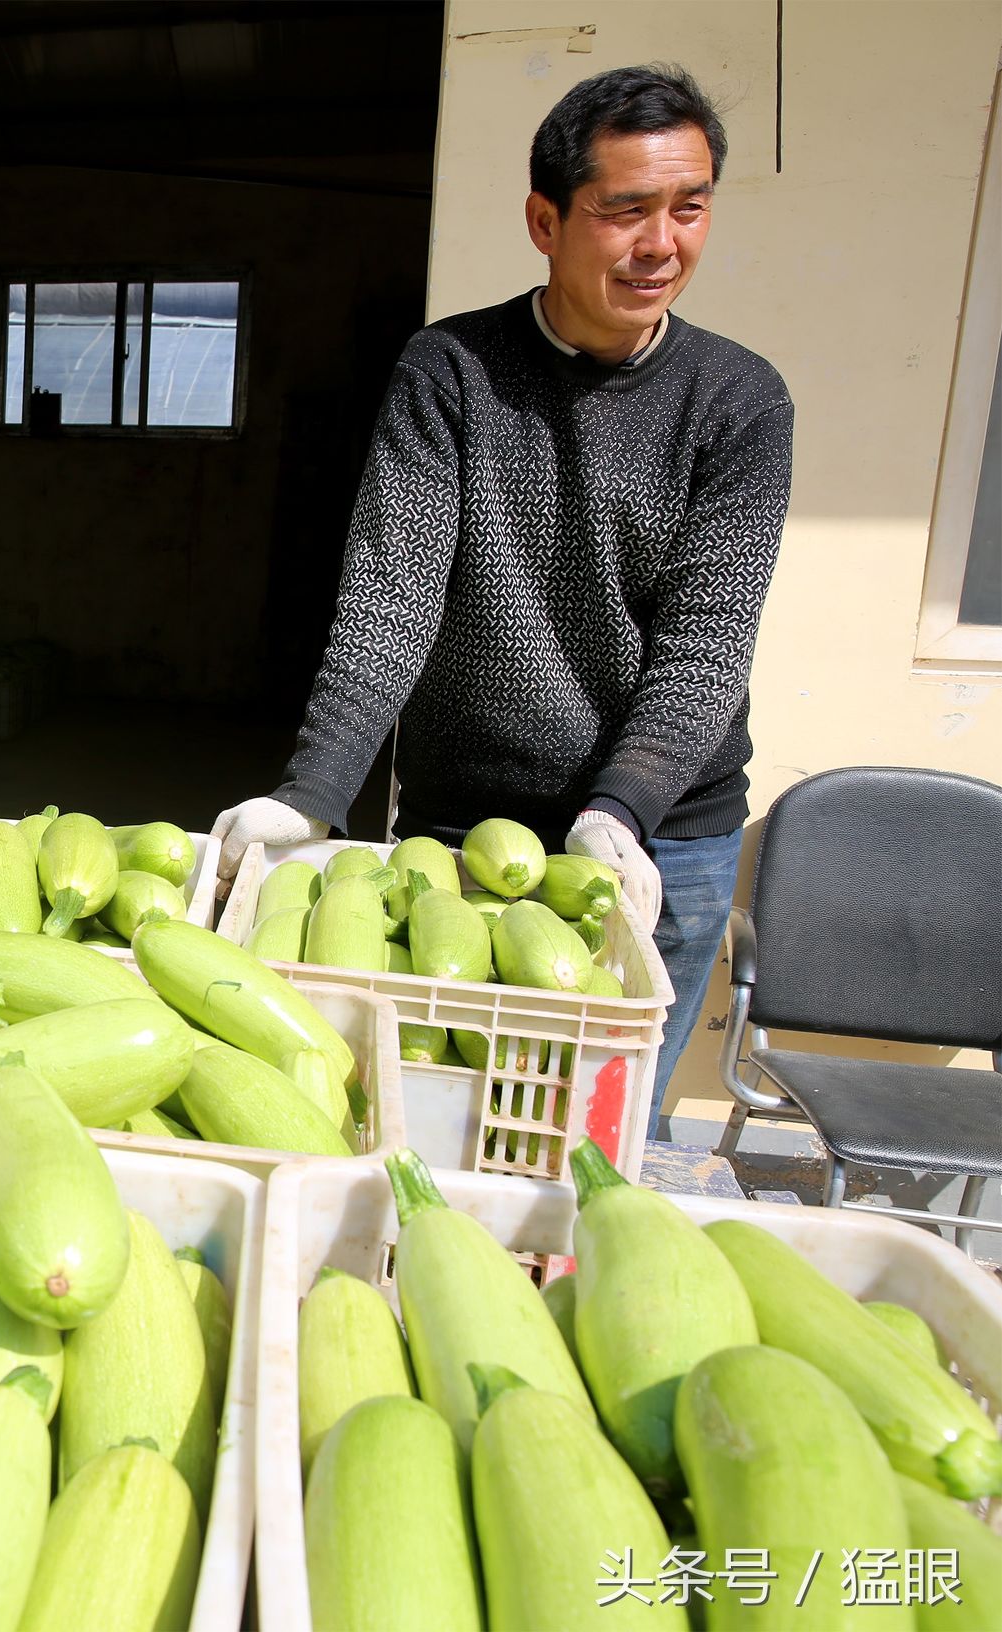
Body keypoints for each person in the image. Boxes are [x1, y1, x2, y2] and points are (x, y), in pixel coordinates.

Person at [209, 64, 793, 1143]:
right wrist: (312, 795)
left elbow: (706, 643)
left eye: (689, 206)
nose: (660, 243)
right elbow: (392, 596)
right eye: (624, 210)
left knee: (597, 1144)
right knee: (439, 1123)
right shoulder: (452, 373)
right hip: (460, 831)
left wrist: (622, 808)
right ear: (545, 218)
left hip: (660, 839)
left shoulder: (740, 401)